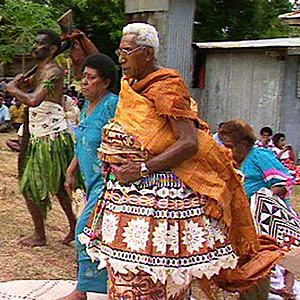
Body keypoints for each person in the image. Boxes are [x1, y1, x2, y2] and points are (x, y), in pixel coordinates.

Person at [79, 23, 280, 300]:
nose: (121, 58)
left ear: (147, 53)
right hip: (124, 194)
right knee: (125, 276)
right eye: (120, 51)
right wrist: (112, 157)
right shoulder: (131, 87)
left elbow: (188, 142)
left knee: (160, 274)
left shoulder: (166, 86)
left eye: (127, 51)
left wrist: (142, 168)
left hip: (159, 196)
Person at [6, 29, 77, 247]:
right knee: (56, 186)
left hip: (51, 137)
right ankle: (72, 227)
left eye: (40, 44)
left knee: (33, 186)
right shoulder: (41, 72)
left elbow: (34, 100)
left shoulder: (53, 72)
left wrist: (13, 89)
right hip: (39, 134)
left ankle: (41, 234)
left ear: (53, 49)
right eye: (35, 43)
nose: (35, 47)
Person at [57, 54, 119, 300]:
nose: (84, 82)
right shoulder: (86, 107)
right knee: (98, 235)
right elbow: (83, 143)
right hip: (91, 182)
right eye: (84, 77)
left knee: (85, 230)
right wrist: (72, 170)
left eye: (91, 78)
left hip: (109, 183)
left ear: (105, 82)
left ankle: (81, 291)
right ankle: (107, 286)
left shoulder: (112, 105)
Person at [219, 120, 297, 300]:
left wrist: (263, 196)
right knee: (245, 266)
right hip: (242, 222)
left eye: (230, 146)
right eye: (224, 146)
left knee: (260, 265)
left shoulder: (259, 155)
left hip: (263, 223)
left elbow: (282, 182)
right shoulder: (231, 162)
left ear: (243, 144)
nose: (227, 150)